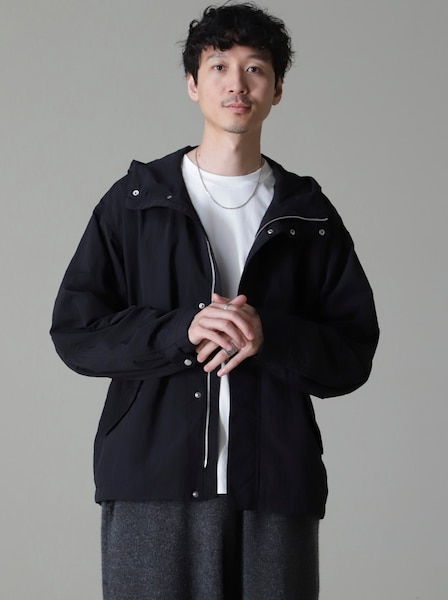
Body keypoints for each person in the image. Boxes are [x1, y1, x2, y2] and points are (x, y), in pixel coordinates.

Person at [50, 3, 379, 599]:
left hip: (274, 489)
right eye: (220, 66)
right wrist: (183, 329)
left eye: (255, 69)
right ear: (192, 83)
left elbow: (352, 354)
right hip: (152, 484)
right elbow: (77, 331)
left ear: (277, 90)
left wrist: (270, 334)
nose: (237, 84)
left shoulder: (309, 216)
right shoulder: (136, 201)